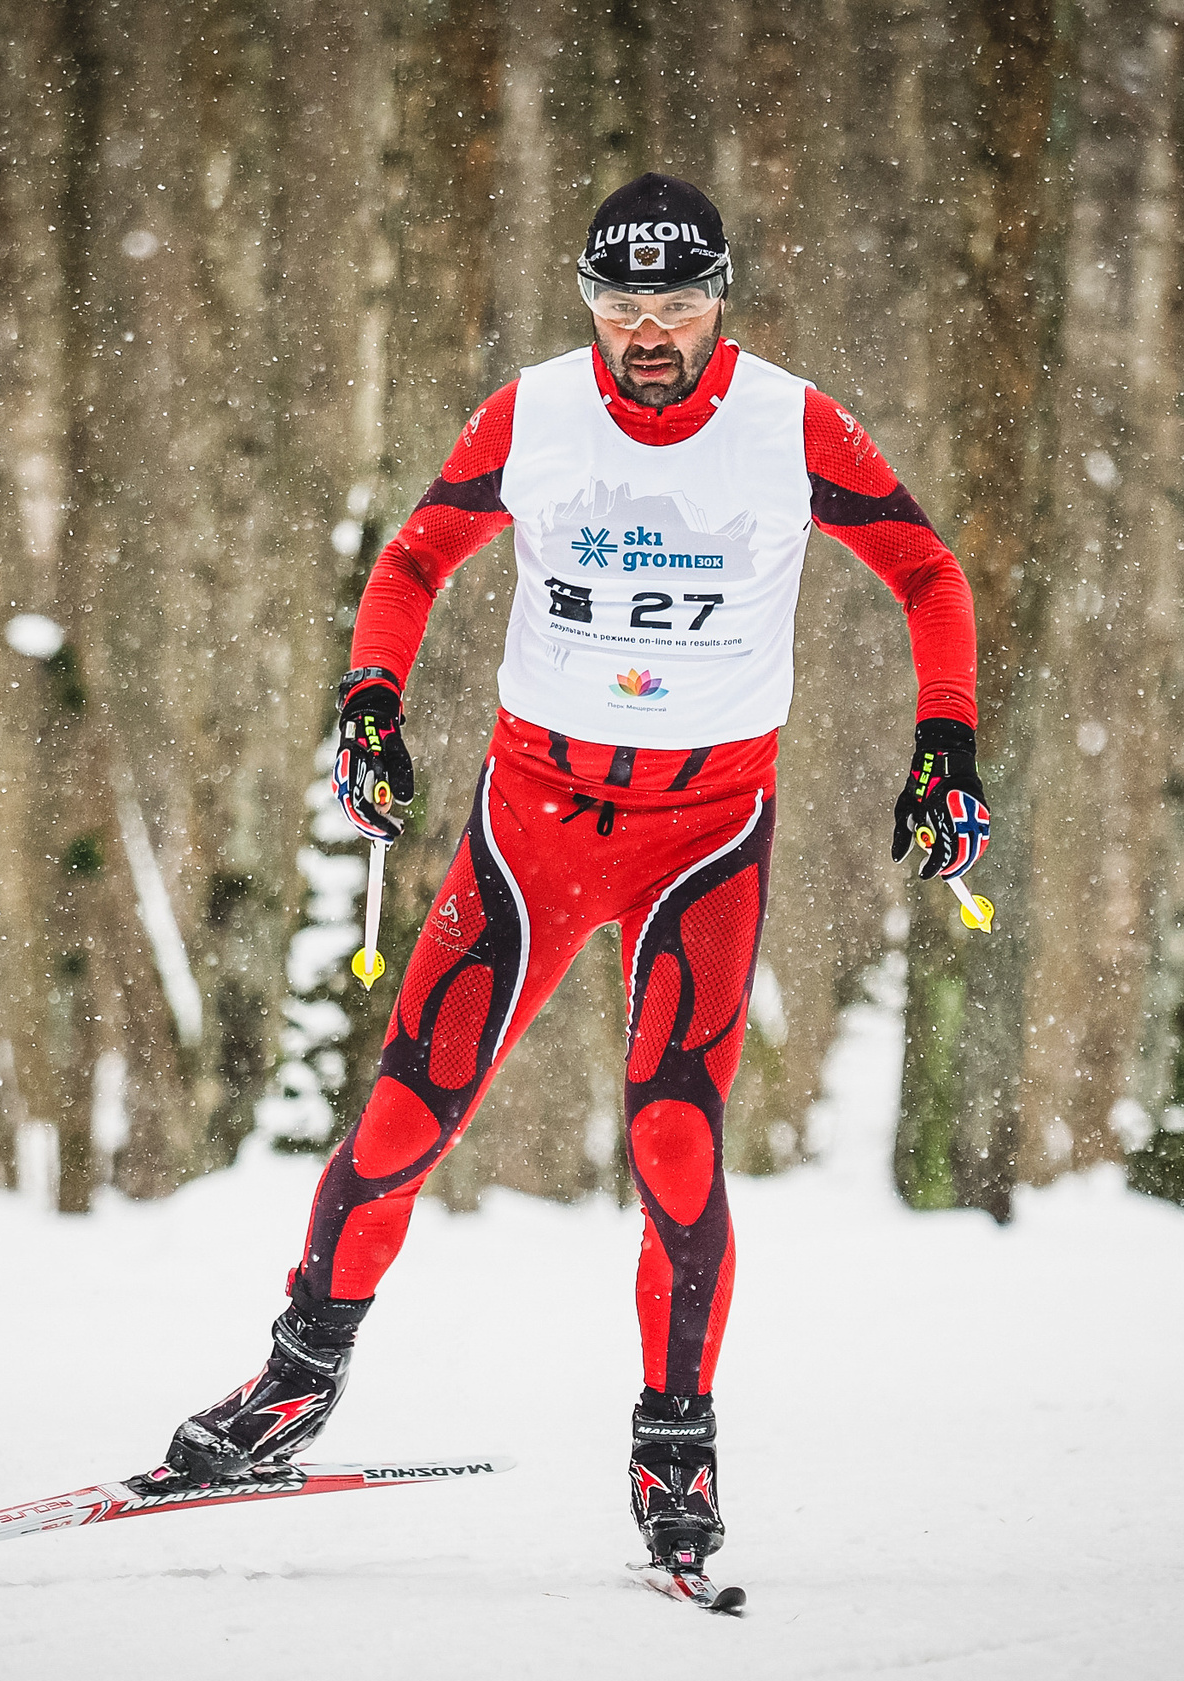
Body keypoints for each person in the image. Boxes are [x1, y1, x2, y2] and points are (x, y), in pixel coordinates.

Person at [156, 174, 989, 1581]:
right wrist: (370, 705)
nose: (647, 332)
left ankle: (676, 1445)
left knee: (676, 1141)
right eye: (620, 304)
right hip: (533, 822)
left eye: (676, 303)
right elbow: (415, 559)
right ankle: (294, 1381)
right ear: (589, 304)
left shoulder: (791, 423)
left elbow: (927, 572)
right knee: (406, 1117)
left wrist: (948, 741)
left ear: (719, 299)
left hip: (704, 831)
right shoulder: (532, 413)